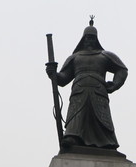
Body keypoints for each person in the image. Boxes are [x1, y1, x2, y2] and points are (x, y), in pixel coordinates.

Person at [47, 20, 128, 150]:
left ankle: (107, 142)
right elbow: (63, 79)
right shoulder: (75, 57)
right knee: (77, 114)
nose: (89, 40)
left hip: (98, 91)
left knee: (101, 117)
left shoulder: (105, 55)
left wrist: (114, 84)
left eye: (92, 38)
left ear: (96, 39)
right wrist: (53, 74)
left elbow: (122, 70)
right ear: (83, 39)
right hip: (79, 90)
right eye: (87, 38)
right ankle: (72, 137)